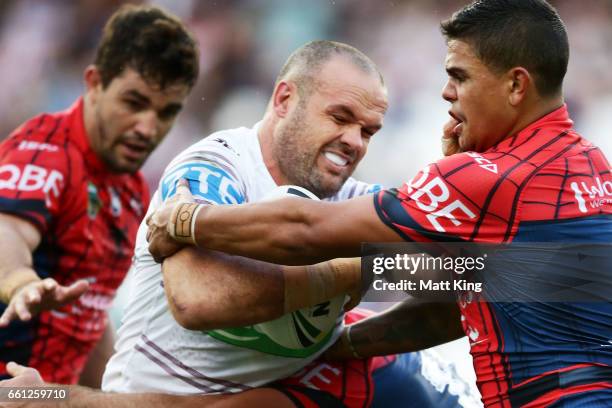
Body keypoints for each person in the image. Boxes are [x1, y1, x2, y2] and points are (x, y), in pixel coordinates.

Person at [146, 1, 612, 407]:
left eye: (459, 77)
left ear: (516, 86)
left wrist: (185, 219)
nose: (446, 93)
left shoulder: (485, 178)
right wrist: (344, 341)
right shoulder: (593, 165)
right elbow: (468, 286)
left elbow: (299, 233)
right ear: (283, 99)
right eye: (340, 117)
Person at [0, 41, 476, 407]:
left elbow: (477, 280)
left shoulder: (353, 203)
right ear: (285, 99)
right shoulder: (216, 166)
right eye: (340, 117)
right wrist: (364, 268)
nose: (353, 141)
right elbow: (198, 298)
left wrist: (351, 340)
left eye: (368, 131)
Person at [0, 4, 199, 387]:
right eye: (134, 102)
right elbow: (6, 232)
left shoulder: (134, 191)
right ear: (94, 83)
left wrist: (107, 395)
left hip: (50, 397)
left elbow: (90, 314)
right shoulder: (45, 150)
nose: (147, 127)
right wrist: (21, 283)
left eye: (166, 112)